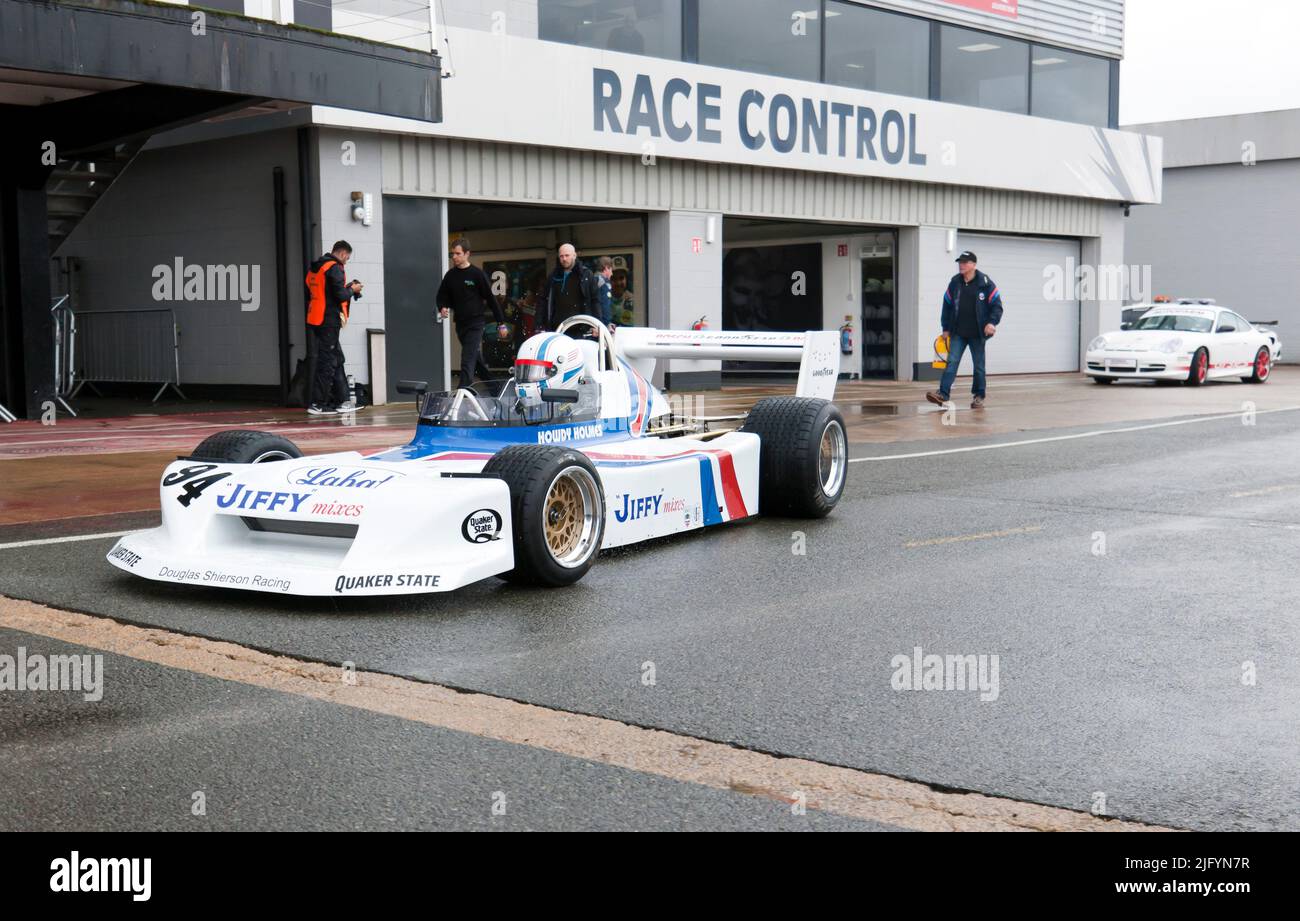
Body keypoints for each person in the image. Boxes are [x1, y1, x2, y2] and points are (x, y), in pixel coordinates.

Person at [926, 251, 1004, 410]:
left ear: (974, 265)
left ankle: (979, 396)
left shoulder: (986, 283)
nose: (961, 265)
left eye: (965, 262)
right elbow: (946, 305)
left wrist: (991, 323)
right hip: (958, 332)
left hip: (977, 333)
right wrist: (946, 328)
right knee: (951, 363)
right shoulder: (955, 283)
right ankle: (942, 394)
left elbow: (997, 306)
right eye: (960, 262)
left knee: (978, 366)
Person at [437, 238, 509, 389]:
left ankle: (462, 391)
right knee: (475, 361)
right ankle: (496, 389)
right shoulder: (450, 276)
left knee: (467, 358)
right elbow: (442, 296)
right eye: (452, 254)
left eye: (458, 253)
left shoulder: (477, 274)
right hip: (460, 324)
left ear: (467, 254)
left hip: (476, 323)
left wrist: (501, 323)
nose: (454, 257)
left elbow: (491, 299)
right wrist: (443, 307)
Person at [305, 240, 363, 415]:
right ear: (343, 253)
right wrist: (353, 289)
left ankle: (342, 401)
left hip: (316, 318)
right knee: (328, 362)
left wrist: (347, 289)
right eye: (347, 258)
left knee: (336, 359)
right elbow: (340, 295)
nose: (346, 261)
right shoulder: (334, 267)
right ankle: (318, 403)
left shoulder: (317, 267)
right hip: (328, 321)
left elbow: (322, 292)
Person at [536, 244, 601, 330]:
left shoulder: (586, 275)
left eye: (567, 255)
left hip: (581, 328)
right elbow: (543, 300)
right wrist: (539, 324)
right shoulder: (554, 276)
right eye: (561, 256)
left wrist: (597, 325)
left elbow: (595, 301)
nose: (564, 259)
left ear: (574, 255)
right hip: (558, 328)